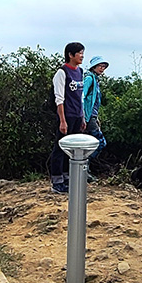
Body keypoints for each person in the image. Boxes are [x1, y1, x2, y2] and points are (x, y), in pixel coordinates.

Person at [48, 42, 86, 194]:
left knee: (71, 149)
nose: (82, 56)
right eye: (79, 53)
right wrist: (62, 120)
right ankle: (56, 181)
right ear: (71, 55)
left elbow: (80, 97)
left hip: (77, 115)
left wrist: (82, 117)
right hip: (66, 115)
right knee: (59, 148)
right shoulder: (62, 73)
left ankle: (67, 178)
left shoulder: (80, 72)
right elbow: (59, 98)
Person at [82, 56, 108, 162]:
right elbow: (82, 96)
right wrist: (83, 116)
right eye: (100, 66)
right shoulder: (89, 79)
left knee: (89, 143)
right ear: (94, 67)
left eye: (103, 67)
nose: (102, 68)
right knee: (101, 142)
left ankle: (84, 168)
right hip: (87, 117)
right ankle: (84, 162)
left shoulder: (96, 80)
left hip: (92, 116)